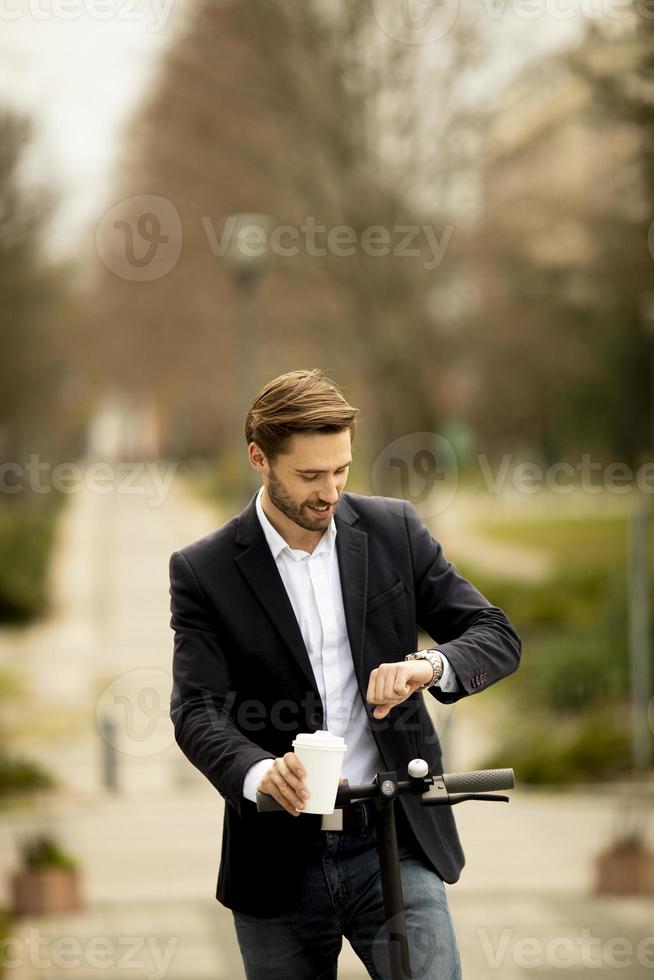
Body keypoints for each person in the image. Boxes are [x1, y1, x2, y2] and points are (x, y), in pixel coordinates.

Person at [169, 368, 521, 980]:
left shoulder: (395, 531)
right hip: (274, 862)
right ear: (260, 458)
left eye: (341, 471)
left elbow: (495, 634)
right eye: (310, 476)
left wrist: (428, 665)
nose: (330, 492)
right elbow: (196, 710)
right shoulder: (204, 571)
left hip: (394, 836)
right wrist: (258, 772)